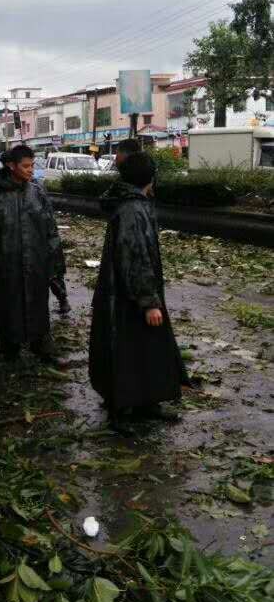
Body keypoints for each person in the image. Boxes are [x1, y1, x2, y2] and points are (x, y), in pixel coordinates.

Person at [88, 152, 183, 434]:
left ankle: (146, 403)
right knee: (126, 352)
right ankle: (121, 413)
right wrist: (148, 302)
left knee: (145, 348)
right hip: (128, 297)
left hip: (127, 292)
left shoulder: (135, 203)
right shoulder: (132, 209)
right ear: (149, 177)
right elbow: (135, 256)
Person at [0, 145, 66, 362]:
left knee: (38, 304)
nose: (31, 170)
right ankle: (10, 347)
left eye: (32, 165)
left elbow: (51, 229)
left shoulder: (37, 192)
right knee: (9, 306)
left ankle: (41, 344)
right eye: (26, 166)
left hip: (36, 262)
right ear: (12, 166)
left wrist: (55, 261)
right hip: (7, 264)